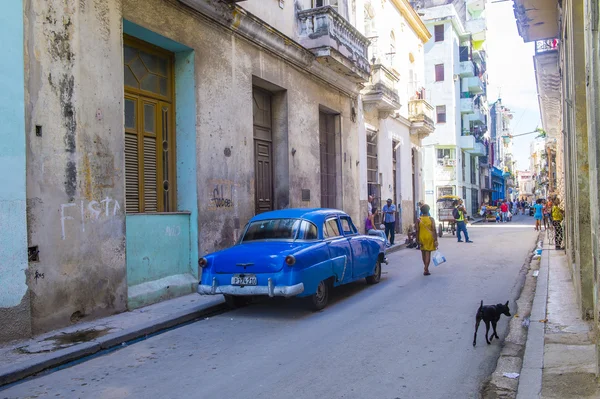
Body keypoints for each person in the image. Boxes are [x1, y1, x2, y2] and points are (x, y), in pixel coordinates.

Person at [416, 204, 438, 276]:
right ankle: (426, 268)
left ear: (421, 211)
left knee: (423, 253)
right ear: (428, 210)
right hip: (429, 238)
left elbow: (417, 230)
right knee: (428, 253)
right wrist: (436, 239)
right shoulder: (431, 219)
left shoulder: (418, 220)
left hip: (421, 237)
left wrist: (417, 239)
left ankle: (426, 267)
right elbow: (434, 229)